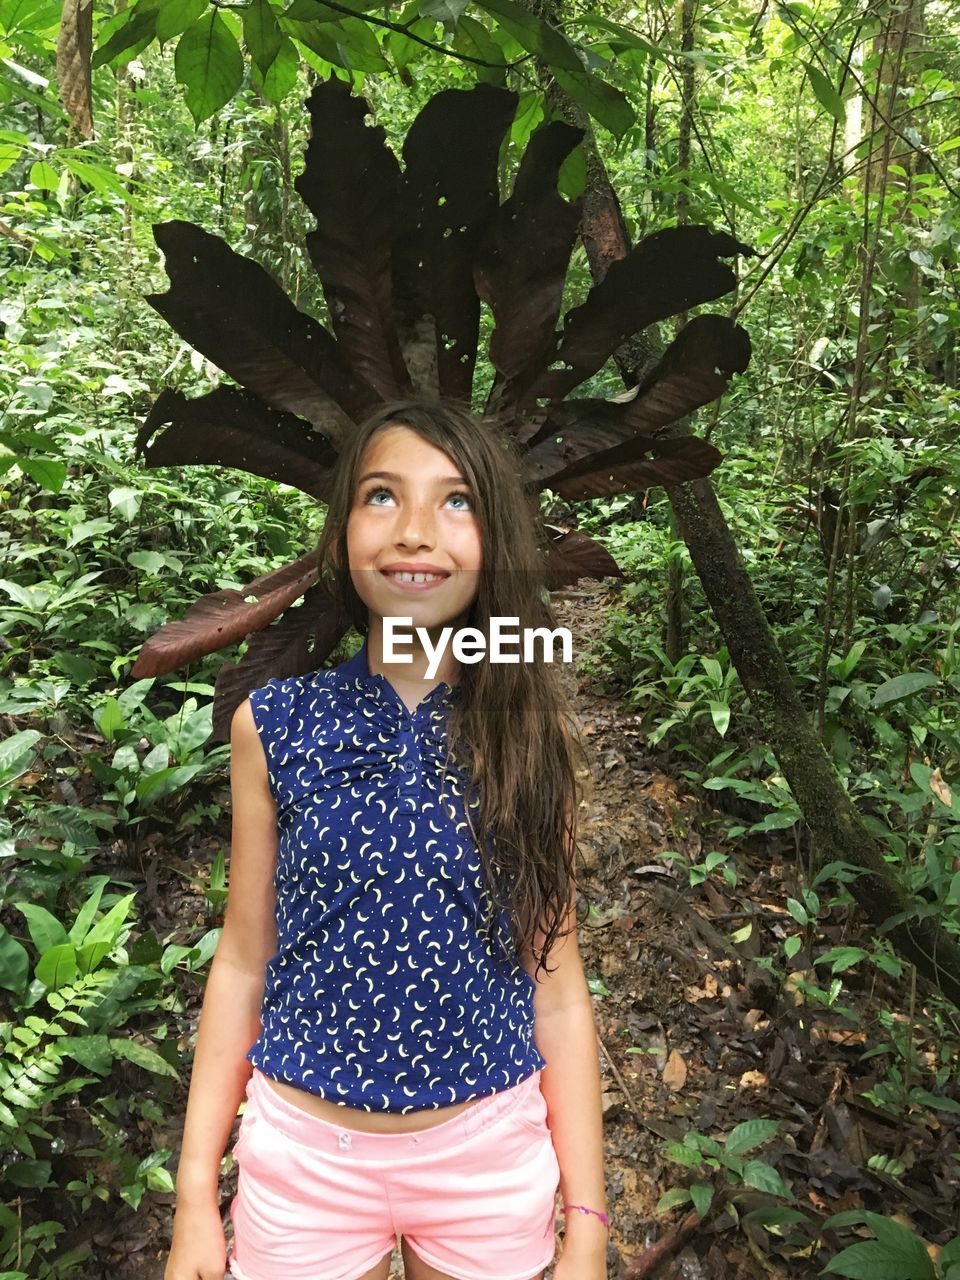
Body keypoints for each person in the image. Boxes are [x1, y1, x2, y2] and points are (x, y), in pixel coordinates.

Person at [164, 399, 609, 1280]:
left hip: (484, 1156)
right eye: (381, 496)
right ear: (340, 537)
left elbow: (555, 984)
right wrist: (191, 1198)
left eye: (455, 502)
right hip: (305, 1162)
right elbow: (243, 960)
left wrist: (587, 1224)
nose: (415, 531)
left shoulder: (528, 733)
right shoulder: (276, 724)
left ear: (495, 543)